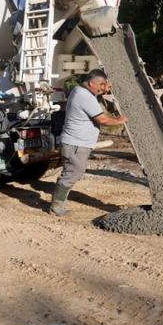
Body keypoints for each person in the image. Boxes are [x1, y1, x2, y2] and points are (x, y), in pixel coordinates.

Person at [50, 69, 128, 216]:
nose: (103, 87)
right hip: (76, 144)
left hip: (77, 143)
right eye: (101, 84)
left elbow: (95, 98)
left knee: (73, 172)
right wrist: (119, 120)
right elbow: (102, 119)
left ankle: (59, 202)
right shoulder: (84, 96)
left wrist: (103, 89)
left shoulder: (80, 91)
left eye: (105, 85)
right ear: (91, 83)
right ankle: (56, 205)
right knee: (73, 173)